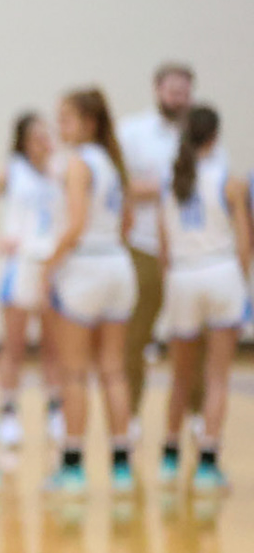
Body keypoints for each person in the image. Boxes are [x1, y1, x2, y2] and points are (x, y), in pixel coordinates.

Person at [42, 88, 137, 492]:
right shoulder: (113, 164)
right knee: (114, 370)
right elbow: (128, 221)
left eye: (67, 117)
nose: (60, 125)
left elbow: (75, 224)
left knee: (74, 373)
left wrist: (49, 265)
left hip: (85, 267)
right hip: (117, 262)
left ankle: (73, 466)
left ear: (89, 122)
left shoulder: (79, 163)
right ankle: (121, 467)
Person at [157, 105, 250, 490]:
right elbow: (245, 240)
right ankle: (209, 463)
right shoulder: (230, 182)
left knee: (180, 376)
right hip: (221, 272)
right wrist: (240, 283)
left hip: (182, 274)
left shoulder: (170, 180)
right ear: (215, 136)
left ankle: (169, 454)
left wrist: (174, 280)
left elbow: (163, 246)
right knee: (216, 378)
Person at [118, 63, 196, 420]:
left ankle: (196, 414)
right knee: (135, 336)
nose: (178, 98)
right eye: (172, 90)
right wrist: (164, 188)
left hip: (189, 252)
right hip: (144, 245)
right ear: (157, 89)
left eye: (184, 92)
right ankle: (130, 414)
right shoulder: (134, 132)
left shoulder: (198, 134)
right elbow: (120, 185)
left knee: (192, 337)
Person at [0, 112, 62, 453]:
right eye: (37, 137)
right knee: (14, 345)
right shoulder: (12, 171)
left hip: (51, 265)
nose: (45, 142)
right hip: (18, 267)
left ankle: (55, 410)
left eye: (48, 135)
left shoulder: (61, 173)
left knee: (53, 346)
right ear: (24, 142)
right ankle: (8, 412)